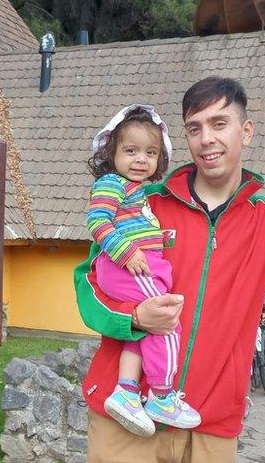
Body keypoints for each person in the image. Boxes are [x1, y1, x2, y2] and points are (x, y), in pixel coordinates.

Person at [74, 44, 265, 462]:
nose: (206, 138)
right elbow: (88, 284)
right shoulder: (144, 205)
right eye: (194, 128)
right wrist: (134, 318)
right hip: (127, 420)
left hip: (208, 424)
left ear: (245, 131)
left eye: (219, 123)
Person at [86, 105, 202, 437]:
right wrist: (127, 252)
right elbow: (97, 221)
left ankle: (125, 391)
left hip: (137, 265)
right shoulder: (111, 182)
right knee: (166, 323)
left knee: (146, 329)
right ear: (112, 153)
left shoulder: (137, 191)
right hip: (128, 266)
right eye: (131, 151)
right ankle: (162, 396)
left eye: (150, 153)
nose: (141, 159)